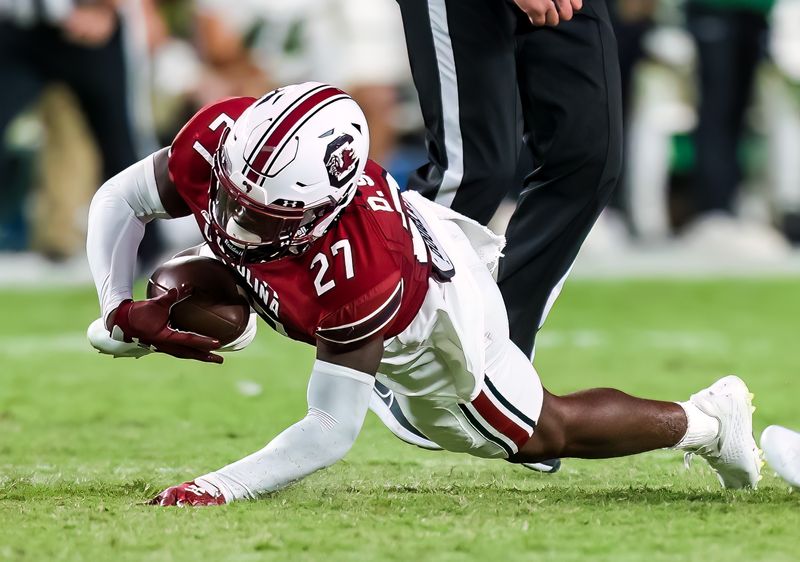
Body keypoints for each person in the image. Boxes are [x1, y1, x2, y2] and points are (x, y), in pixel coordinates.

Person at [85, 83, 760, 506]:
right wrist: (116, 302)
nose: (233, 224)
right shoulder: (227, 143)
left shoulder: (361, 268)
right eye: (233, 198)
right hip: (321, 266)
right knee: (178, 286)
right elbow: (123, 197)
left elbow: (328, 430)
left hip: (431, 310)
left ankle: (706, 423)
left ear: (322, 209)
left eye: (262, 216)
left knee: (537, 431)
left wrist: (218, 487)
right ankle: (233, 320)